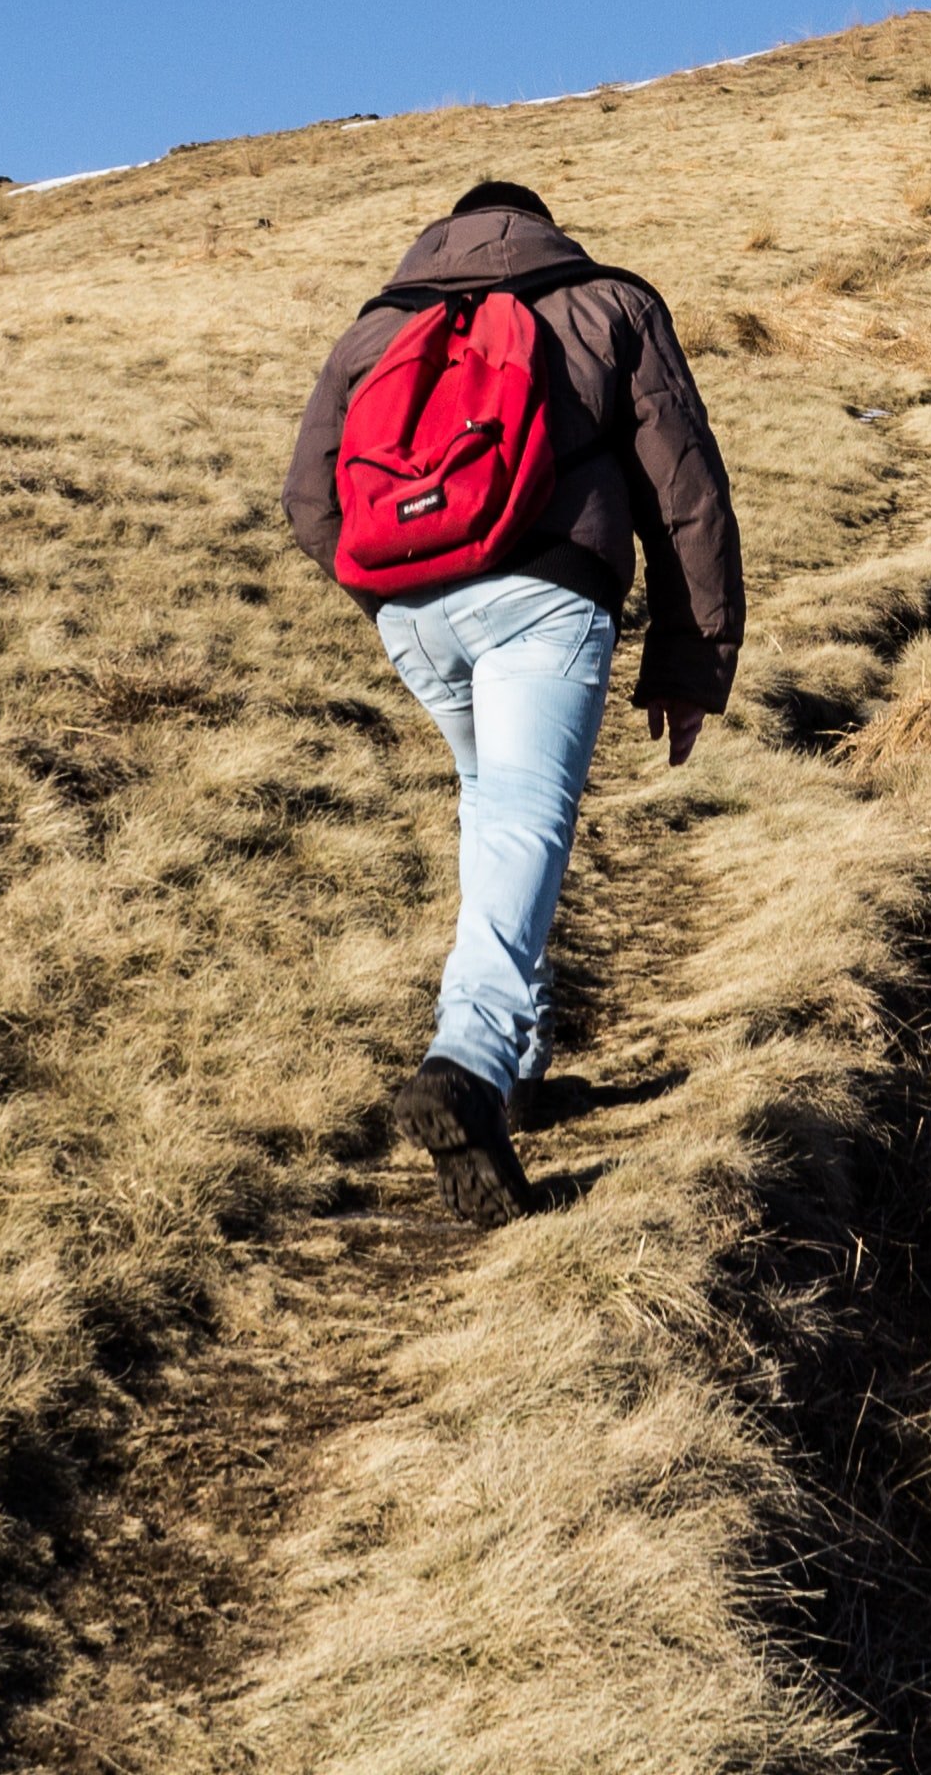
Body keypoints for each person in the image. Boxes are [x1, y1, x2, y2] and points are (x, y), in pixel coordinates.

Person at [282, 179, 744, 1225]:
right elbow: (686, 494)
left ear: (444, 233)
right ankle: (471, 1065)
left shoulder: (380, 324)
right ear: (542, 226)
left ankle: (521, 1065)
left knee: (495, 813)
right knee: (528, 820)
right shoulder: (610, 303)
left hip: (412, 606)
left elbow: (309, 496)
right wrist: (690, 659)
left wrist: (393, 588)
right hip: (544, 599)